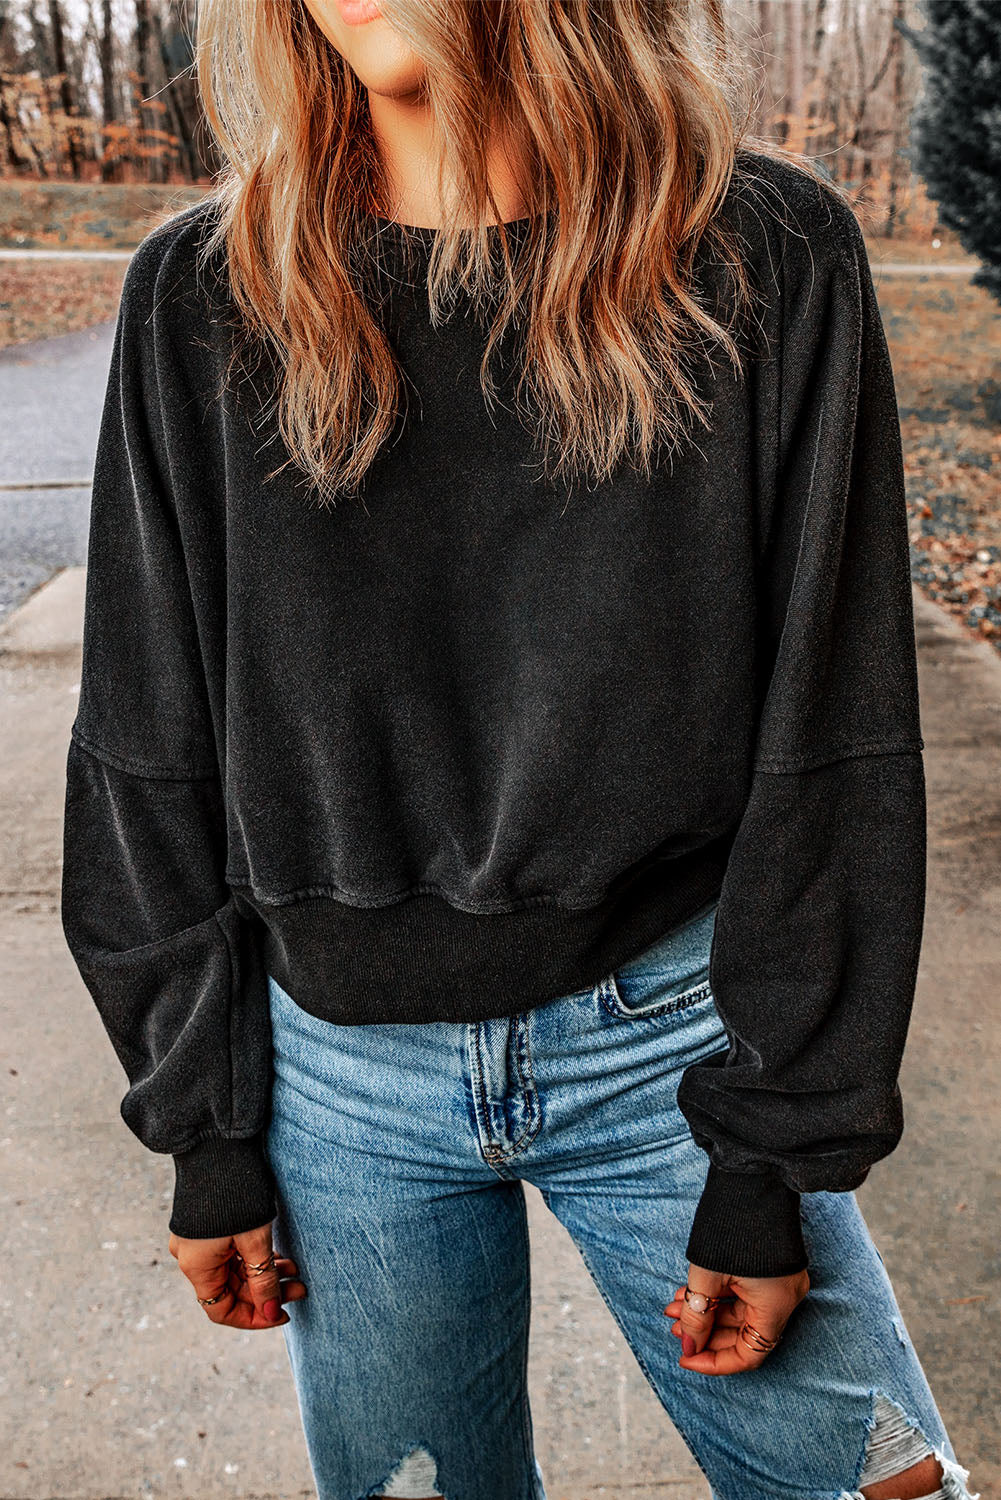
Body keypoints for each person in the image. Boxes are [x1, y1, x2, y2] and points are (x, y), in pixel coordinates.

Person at [59, 1, 982, 1498]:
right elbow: (143, 744)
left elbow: (837, 740)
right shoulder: (203, 291)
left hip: (677, 1048)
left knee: (881, 1487)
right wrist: (203, 1126)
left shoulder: (763, 257)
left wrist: (770, 1156)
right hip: (339, 1085)